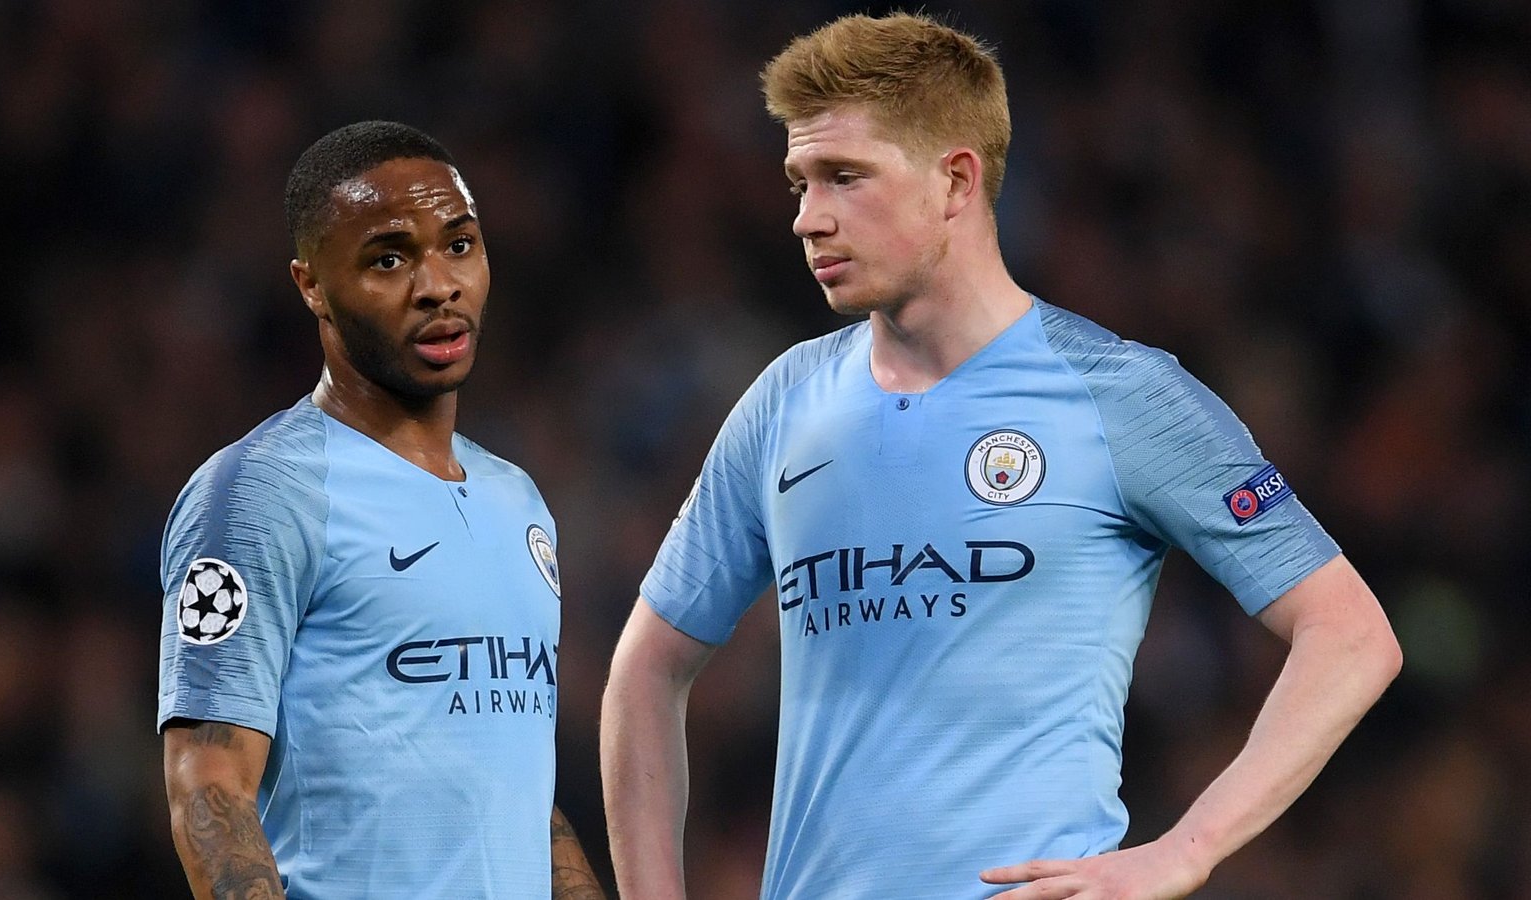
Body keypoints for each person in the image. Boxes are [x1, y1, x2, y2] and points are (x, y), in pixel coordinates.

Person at [600, 13, 1402, 900]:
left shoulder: (1120, 393)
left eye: (843, 178)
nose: (806, 218)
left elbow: (1351, 636)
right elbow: (646, 668)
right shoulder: (784, 403)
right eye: (799, 182)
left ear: (955, 181)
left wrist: (1189, 846)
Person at [158, 121, 602, 899]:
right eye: (389, 259)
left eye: (459, 245)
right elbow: (210, 784)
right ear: (310, 285)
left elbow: (513, 788)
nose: (438, 284)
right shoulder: (260, 492)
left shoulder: (518, 501)